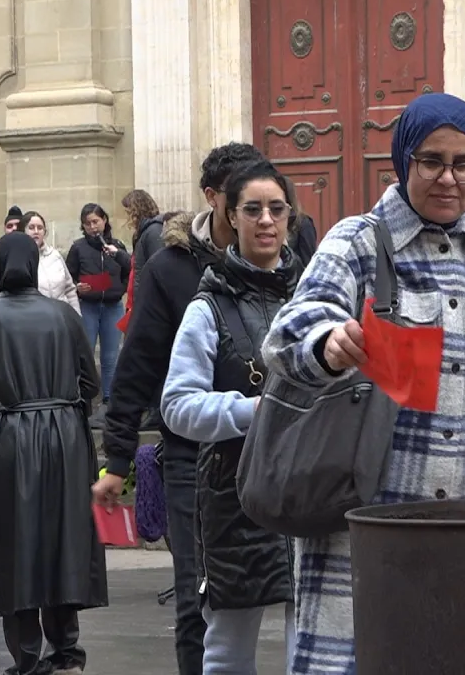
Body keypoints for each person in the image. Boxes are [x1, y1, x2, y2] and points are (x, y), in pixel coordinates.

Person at [261, 92, 465, 673]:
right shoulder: (357, 242)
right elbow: (288, 331)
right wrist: (330, 342)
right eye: (431, 160)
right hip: (367, 530)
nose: (448, 178)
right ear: (403, 160)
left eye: (464, 163)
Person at [93, 142, 270, 675]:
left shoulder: (290, 258)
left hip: (272, 452)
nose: (260, 217)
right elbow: (139, 361)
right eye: (244, 203)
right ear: (215, 199)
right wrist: (117, 458)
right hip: (194, 457)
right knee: (199, 593)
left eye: (270, 206)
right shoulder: (170, 268)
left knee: (294, 588)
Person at [0, 232, 106, 675]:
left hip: (10, 439)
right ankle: (67, 651)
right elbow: (92, 385)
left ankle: (28, 658)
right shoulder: (65, 316)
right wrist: (64, 412)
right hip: (66, 438)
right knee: (63, 539)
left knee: (14, 542)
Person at [161, 160, 298, 673]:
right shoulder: (208, 307)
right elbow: (177, 405)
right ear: (231, 216)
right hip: (235, 492)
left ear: (289, 218)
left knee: (313, 643)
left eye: (276, 209)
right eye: (253, 209)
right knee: (229, 646)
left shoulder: (314, 294)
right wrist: (251, 411)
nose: (266, 220)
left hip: (312, 486)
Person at [66, 203, 131, 426]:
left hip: (113, 306)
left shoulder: (117, 246)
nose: (93, 227)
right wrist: (77, 286)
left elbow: (129, 273)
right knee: (85, 352)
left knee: (111, 356)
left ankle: (109, 401)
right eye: (88, 223)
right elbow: (69, 277)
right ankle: (83, 401)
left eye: (96, 221)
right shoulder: (78, 248)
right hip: (89, 306)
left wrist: (119, 289)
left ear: (104, 221)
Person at [17, 210, 81, 314]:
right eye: (31, 228)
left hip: (62, 316)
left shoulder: (55, 255)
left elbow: (69, 289)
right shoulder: (18, 258)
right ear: (23, 231)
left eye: (40, 228)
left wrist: (77, 315)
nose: (36, 231)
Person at [0, 205, 26, 281]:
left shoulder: (32, 254)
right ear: (5, 230)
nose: (14, 228)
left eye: (18, 225)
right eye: (10, 226)